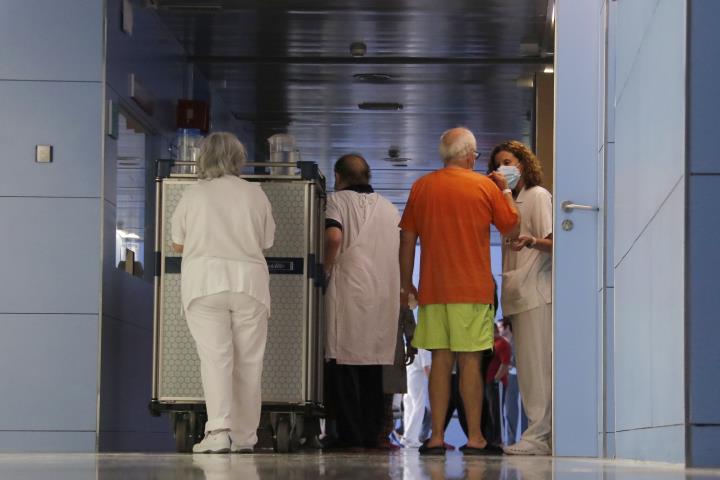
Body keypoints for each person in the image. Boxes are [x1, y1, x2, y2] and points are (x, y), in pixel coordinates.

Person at [399, 127, 520, 455]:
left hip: (434, 289)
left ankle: (436, 437)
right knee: (469, 361)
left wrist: (405, 281)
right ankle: (476, 438)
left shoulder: (422, 186)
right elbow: (511, 226)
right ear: (469, 155)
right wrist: (505, 190)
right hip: (473, 289)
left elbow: (408, 237)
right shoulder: (484, 186)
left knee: (440, 358)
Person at [170, 132, 275, 453]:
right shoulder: (256, 194)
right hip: (249, 284)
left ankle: (217, 433)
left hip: (204, 284)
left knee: (216, 359)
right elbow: (267, 241)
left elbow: (177, 243)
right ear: (238, 159)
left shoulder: (193, 195)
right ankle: (245, 436)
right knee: (249, 362)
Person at [323, 153, 401, 448]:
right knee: (372, 370)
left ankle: (349, 436)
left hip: (348, 293)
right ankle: (370, 434)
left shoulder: (336, 201)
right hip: (382, 298)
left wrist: (326, 267)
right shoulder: (390, 209)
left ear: (338, 177)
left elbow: (333, 237)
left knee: (344, 369)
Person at [487, 140, 553, 456]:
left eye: (509, 161)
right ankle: (536, 433)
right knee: (527, 369)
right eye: (498, 164)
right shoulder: (510, 203)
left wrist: (531, 241)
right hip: (518, 294)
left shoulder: (538, 197)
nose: (504, 169)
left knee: (537, 367)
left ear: (524, 164)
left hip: (536, 292)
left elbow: (555, 241)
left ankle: (539, 436)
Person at [481, 322, 512, 450]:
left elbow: (505, 365)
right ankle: (489, 439)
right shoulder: (487, 344)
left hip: (496, 384)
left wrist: (495, 380)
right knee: (487, 412)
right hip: (486, 383)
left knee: (496, 411)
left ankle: (499, 441)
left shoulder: (502, 343)